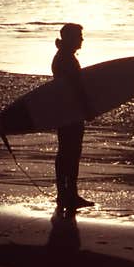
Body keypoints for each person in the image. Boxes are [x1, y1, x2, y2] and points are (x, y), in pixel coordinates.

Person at [52, 23, 95, 216]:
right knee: (70, 153)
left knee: (66, 153)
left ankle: (66, 194)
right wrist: (87, 109)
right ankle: (68, 195)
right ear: (69, 38)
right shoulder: (66, 59)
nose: (82, 39)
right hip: (70, 112)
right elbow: (76, 88)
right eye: (79, 36)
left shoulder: (63, 57)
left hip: (64, 111)